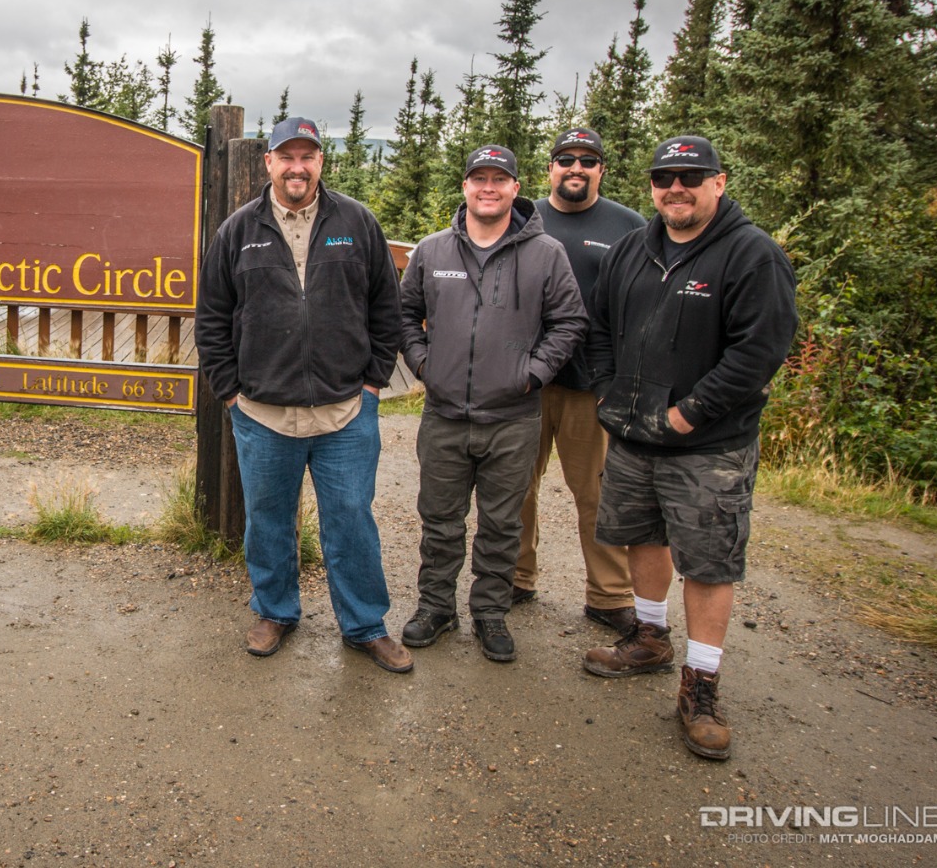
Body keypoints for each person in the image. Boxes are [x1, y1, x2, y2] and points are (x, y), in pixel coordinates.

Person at [581, 135, 797, 761]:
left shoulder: (751, 255)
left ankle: (701, 686)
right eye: (664, 176)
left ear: (719, 182)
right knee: (642, 537)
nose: (676, 187)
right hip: (630, 433)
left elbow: (760, 351)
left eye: (690, 176)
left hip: (709, 446)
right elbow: (597, 327)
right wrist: (604, 392)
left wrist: (689, 414)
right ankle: (650, 636)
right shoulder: (633, 250)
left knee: (708, 561)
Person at [195, 116, 411, 673]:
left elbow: (387, 308)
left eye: (307, 156)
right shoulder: (238, 232)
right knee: (267, 519)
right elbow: (213, 317)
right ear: (268, 162)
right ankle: (274, 612)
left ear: (320, 162)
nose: (297, 166)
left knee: (351, 520)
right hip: (263, 413)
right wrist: (229, 393)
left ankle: (365, 624)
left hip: (345, 411)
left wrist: (372, 382)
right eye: (286, 156)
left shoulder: (356, 222)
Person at [397, 145, 587, 662]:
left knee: (503, 523)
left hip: (513, 416)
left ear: (515, 189)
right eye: (478, 178)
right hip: (444, 415)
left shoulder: (546, 254)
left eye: (498, 179)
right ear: (464, 187)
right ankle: (436, 607)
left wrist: (534, 374)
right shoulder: (433, 251)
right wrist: (424, 365)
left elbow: (569, 322)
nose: (488, 187)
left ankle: (490, 612)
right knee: (439, 519)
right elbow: (404, 313)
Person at [511, 129, 645, 632]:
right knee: (516, 486)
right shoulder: (522, 220)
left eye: (588, 161)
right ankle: (515, 577)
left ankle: (609, 596)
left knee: (597, 493)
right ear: (550, 168)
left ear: (601, 170)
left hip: (593, 384)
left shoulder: (628, 227)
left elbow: (645, 301)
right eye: (565, 159)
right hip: (526, 381)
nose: (576, 167)